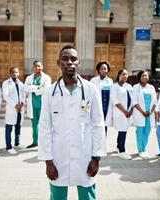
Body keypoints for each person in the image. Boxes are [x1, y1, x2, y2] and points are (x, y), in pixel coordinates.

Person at [38, 45, 106, 200]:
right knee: (57, 196)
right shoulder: (49, 93)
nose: (69, 62)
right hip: (58, 158)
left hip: (85, 157)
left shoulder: (91, 90)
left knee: (87, 196)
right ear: (58, 63)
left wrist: (96, 158)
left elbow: (98, 124)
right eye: (65, 59)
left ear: (79, 63)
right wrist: (48, 162)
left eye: (73, 59)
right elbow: (45, 128)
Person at [106, 69, 133, 160]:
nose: (125, 76)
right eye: (123, 74)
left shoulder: (129, 86)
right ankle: (122, 150)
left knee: (124, 130)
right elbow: (115, 101)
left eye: (126, 74)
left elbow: (133, 100)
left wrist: (130, 111)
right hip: (120, 112)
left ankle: (118, 147)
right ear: (119, 75)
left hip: (128, 112)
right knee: (122, 130)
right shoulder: (114, 86)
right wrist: (125, 112)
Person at [24, 61, 51, 148]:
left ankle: (44, 142)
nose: (37, 68)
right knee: (34, 124)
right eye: (35, 66)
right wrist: (37, 87)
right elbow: (25, 88)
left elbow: (46, 89)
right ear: (33, 67)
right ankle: (35, 141)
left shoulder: (47, 78)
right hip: (32, 104)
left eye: (39, 66)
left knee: (44, 124)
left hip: (43, 104)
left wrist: (33, 89)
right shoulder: (29, 78)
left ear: (42, 67)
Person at [132, 70, 157, 159]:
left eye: (146, 76)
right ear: (139, 77)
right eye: (142, 76)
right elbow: (134, 101)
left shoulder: (151, 87)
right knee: (139, 132)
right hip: (140, 113)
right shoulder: (136, 87)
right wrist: (142, 112)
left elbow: (154, 101)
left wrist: (150, 111)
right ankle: (140, 150)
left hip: (149, 114)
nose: (144, 77)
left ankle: (144, 149)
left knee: (147, 131)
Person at [2, 67, 24, 154]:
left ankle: (17, 143)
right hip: (12, 108)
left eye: (16, 72)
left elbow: (23, 95)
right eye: (13, 72)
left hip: (20, 108)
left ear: (18, 74)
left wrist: (21, 103)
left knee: (18, 126)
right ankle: (9, 147)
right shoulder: (6, 83)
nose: (15, 74)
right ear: (10, 73)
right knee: (9, 128)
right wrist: (15, 105)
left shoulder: (21, 84)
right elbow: (6, 96)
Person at [90, 61, 113, 135]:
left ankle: (103, 142)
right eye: (102, 69)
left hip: (106, 107)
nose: (104, 70)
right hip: (97, 106)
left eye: (105, 69)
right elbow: (90, 94)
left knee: (105, 125)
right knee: (97, 125)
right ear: (98, 70)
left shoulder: (110, 81)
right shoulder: (93, 80)